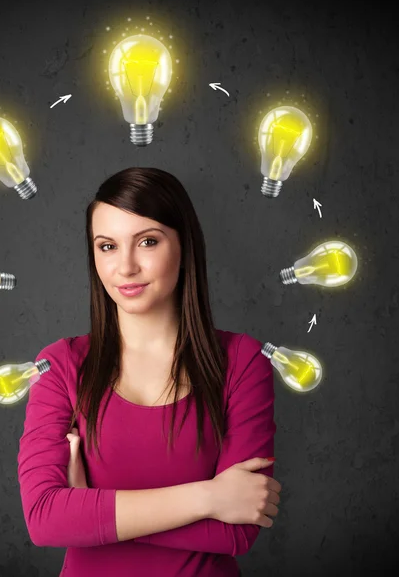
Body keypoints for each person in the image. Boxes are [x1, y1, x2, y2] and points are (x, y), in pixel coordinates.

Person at [17, 167, 281, 577]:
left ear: (184, 246)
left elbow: (237, 533)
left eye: (148, 242)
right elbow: (44, 518)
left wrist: (91, 509)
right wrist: (210, 497)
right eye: (107, 246)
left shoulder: (242, 361)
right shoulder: (60, 366)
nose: (125, 267)